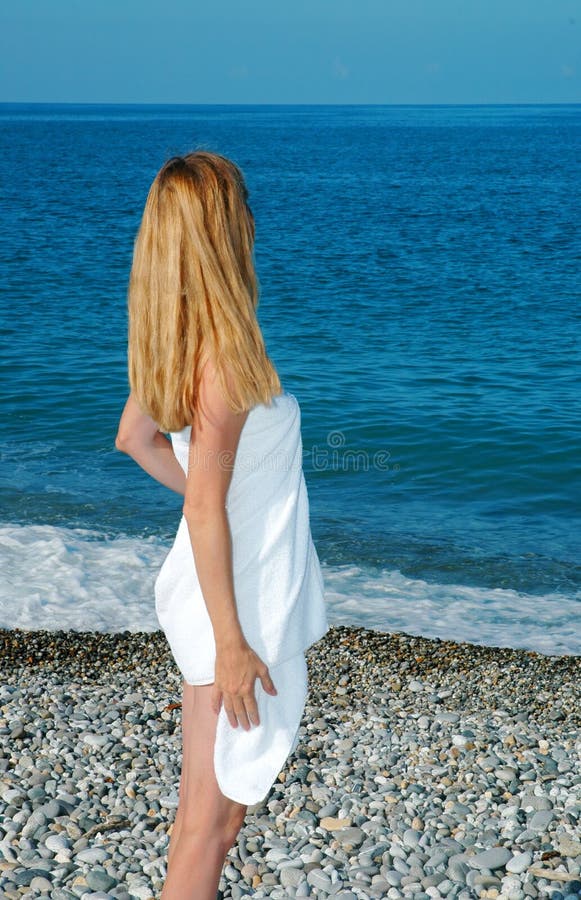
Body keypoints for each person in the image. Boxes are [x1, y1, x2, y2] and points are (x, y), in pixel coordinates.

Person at [115, 151, 328, 899]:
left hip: (218, 592)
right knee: (207, 832)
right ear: (220, 228)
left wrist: (222, 501)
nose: (252, 218)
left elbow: (134, 440)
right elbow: (204, 503)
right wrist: (232, 643)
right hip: (231, 610)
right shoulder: (225, 361)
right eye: (241, 205)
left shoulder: (174, 336)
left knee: (205, 824)